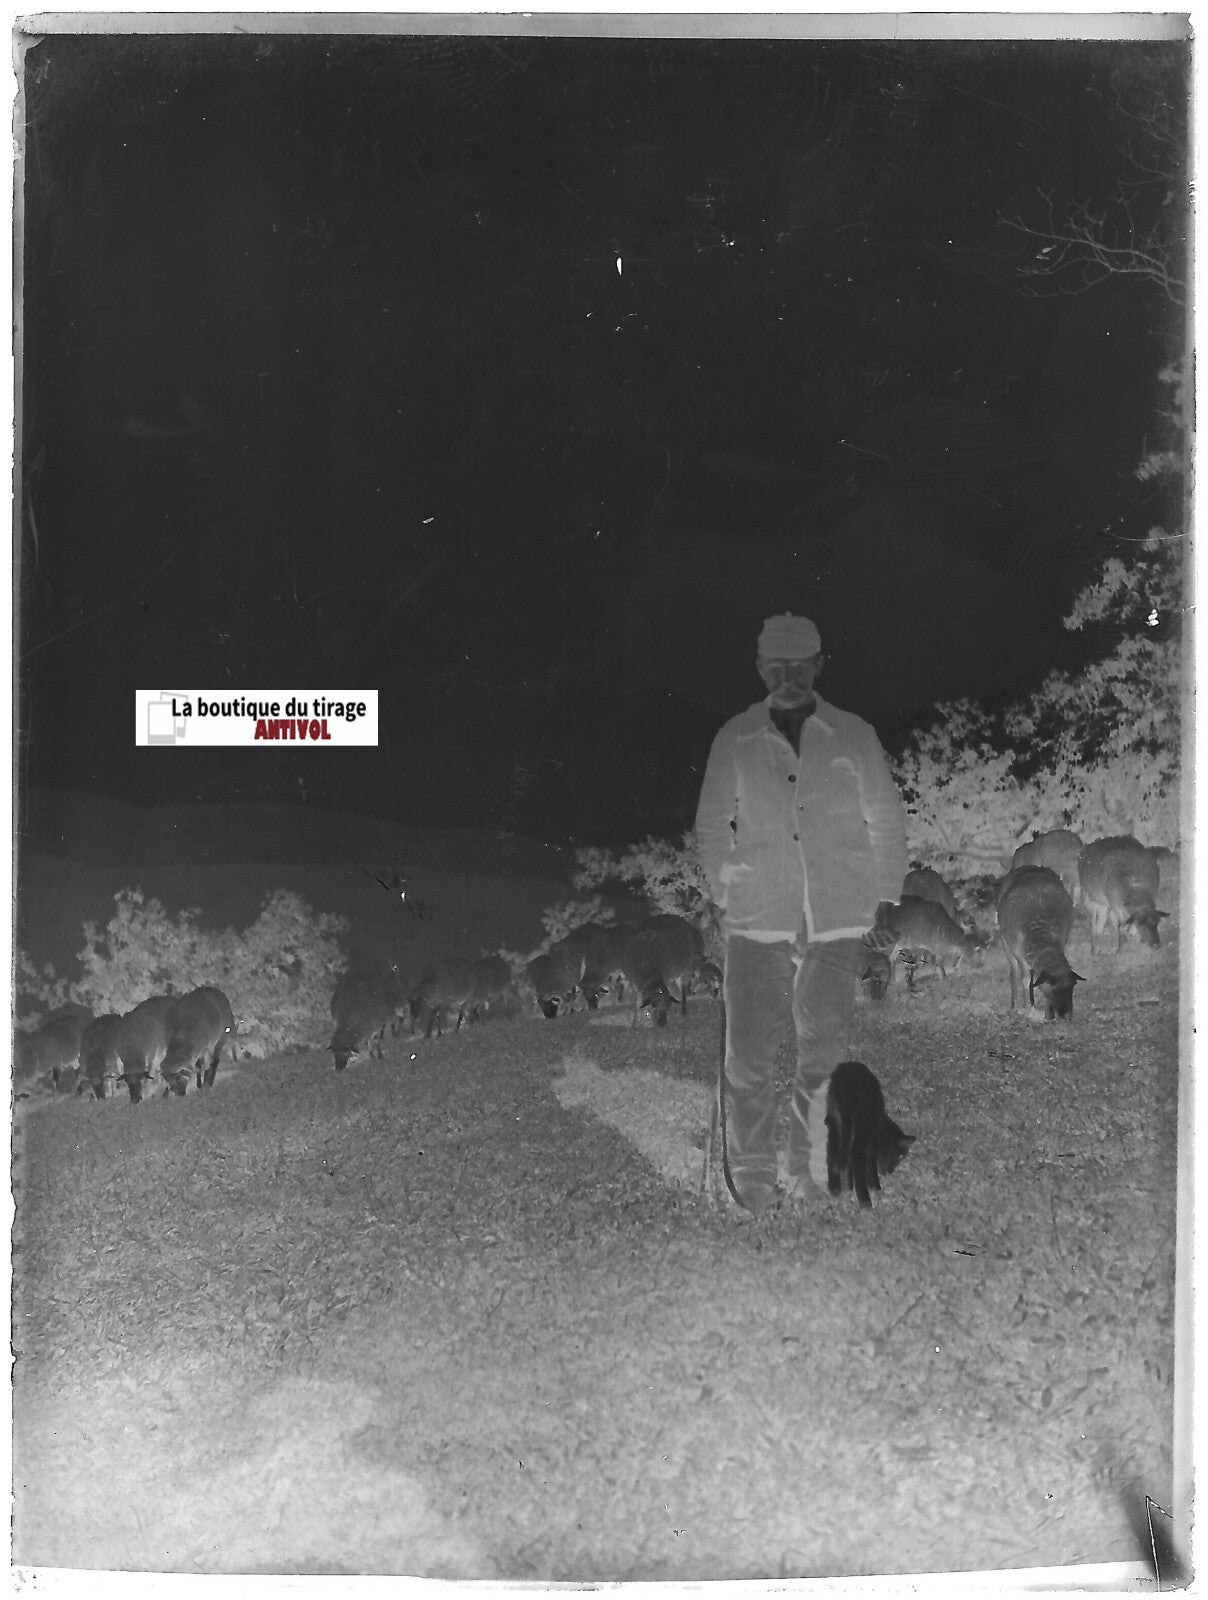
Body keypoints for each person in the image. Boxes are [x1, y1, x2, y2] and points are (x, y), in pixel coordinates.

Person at [695, 613, 908, 1215]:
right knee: (748, 1055)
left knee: (823, 1052)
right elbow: (711, 823)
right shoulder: (734, 736)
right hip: (757, 917)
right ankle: (754, 1175)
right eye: (775, 666)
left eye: (799, 665)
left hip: (836, 916)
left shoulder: (854, 733)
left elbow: (885, 816)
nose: (787, 677)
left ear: (819, 665)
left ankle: (812, 1169)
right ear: (760, 668)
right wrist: (725, 885)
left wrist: (885, 892)